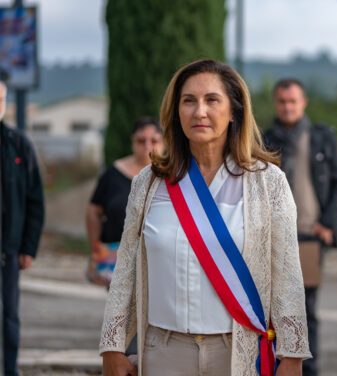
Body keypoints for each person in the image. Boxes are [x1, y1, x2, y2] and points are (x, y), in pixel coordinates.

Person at [99, 59, 311, 376]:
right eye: (189, 101)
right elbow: (126, 269)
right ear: (176, 112)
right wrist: (112, 347)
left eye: (212, 100)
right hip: (164, 352)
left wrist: (292, 357)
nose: (199, 112)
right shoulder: (149, 182)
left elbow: (288, 278)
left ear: (234, 111)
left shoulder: (268, 183)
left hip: (238, 353)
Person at [263, 78, 337, 376]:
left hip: (309, 235)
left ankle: (308, 368)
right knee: (271, 307)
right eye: (282, 101)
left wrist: (329, 222)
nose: (287, 107)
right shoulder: (263, 139)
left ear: (303, 103)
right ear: (276, 103)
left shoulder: (321, 136)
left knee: (305, 307)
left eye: (293, 101)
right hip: (272, 236)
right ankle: (273, 364)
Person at [86, 116, 163, 288]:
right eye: (141, 141)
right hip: (117, 261)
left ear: (164, 143)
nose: (147, 146)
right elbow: (93, 211)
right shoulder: (113, 173)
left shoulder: (171, 175)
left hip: (158, 258)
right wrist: (96, 248)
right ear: (133, 141)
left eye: (154, 140)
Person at [0, 81, 45, 376]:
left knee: (9, 317)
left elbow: (35, 199)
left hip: (9, 249)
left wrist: (28, 247)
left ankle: (10, 371)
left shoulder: (18, 145)